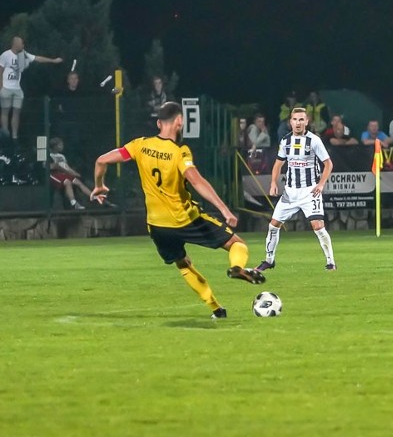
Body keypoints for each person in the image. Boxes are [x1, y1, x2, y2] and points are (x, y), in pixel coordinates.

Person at [91, 101, 265, 320]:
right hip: (185, 219)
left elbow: (101, 160)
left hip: (156, 226)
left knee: (183, 264)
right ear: (179, 121)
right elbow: (195, 180)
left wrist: (99, 185)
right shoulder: (180, 152)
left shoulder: (139, 145)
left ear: (158, 123)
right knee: (237, 244)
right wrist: (224, 209)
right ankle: (237, 267)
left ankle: (216, 309)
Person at [256, 107, 337, 272]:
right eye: (295, 119)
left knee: (318, 226)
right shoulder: (285, 141)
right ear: (290, 122)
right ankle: (269, 260)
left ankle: (330, 262)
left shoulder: (314, 140)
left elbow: (328, 164)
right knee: (273, 226)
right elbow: (278, 163)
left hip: (309, 191)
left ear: (307, 122)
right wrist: (273, 182)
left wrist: (321, 184)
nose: (298, 123)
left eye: (301, 119)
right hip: (290, 192)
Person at [0, 36, 63, 141]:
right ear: (15, 43)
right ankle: (5, 132)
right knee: (5, 110)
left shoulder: (24, 54)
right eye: (21, 43)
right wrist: (0, 87)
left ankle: (14, 136)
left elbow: (37, 58)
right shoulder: (5, 55)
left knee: (16, 111)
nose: (23, 45)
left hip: (17, 88)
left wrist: (53, 61)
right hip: (6, 87)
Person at [49, 137, 101, 210]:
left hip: (64, 174)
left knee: (78, 182)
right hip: (54, 175)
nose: (62, 146)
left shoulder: (61, 156)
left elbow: (67, 167)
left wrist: (75, 173)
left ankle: (93, 197)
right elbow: (51, 167)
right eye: (60, 145)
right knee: (67, 182)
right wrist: (57, 165)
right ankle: (73, 203)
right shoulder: (49, 156)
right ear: (55, 146)